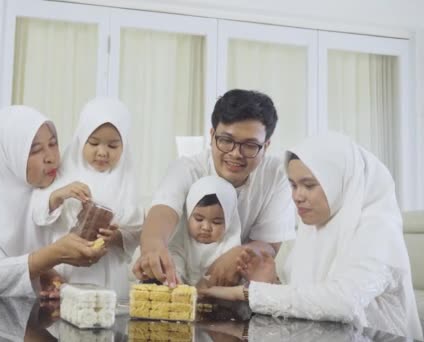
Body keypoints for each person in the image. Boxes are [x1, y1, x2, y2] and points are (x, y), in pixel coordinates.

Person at [200, 132, 423, 340]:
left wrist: (244, 293)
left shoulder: (378, 230)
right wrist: (270, 284)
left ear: (340, 182)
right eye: (293, 185)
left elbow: (343, 302)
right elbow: (308, 302)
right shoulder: (316, 226)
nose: (297, 196)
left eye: (309, 185)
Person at [133, 89, 295, 287]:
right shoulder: (187, 168)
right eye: (226, 141)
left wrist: (237, 254)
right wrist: (153, 245)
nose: (236, 154)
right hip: (177, 280)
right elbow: (163, 210)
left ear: (266, 145)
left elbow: (269, 244)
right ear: (212, 136)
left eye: (250, 146)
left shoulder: (276, 174)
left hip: (232, 286)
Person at [0, 105, 106, 297]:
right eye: (35, 150)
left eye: (53, 144)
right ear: (9, 155)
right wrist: (51, 256)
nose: (51, 158)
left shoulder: (50, 192)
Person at [31, 97, 143, 299]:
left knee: (106, 318)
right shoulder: (64, 171)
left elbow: (136, 228)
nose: (102, 152)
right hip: (67, 269)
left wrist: (117, 237)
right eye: (93, 143)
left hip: (108, 274)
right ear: (81, 139)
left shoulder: (125, 179)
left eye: (113, 146)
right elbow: (37, 212)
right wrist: (59, 195)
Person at [167, 176, 241, 286]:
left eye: (216, 222)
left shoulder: (230, 247)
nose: (206, 227)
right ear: (188, 215)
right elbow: (175, 262)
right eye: (199, 219)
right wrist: (177, 280)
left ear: (229, 222)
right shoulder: (180, 239)